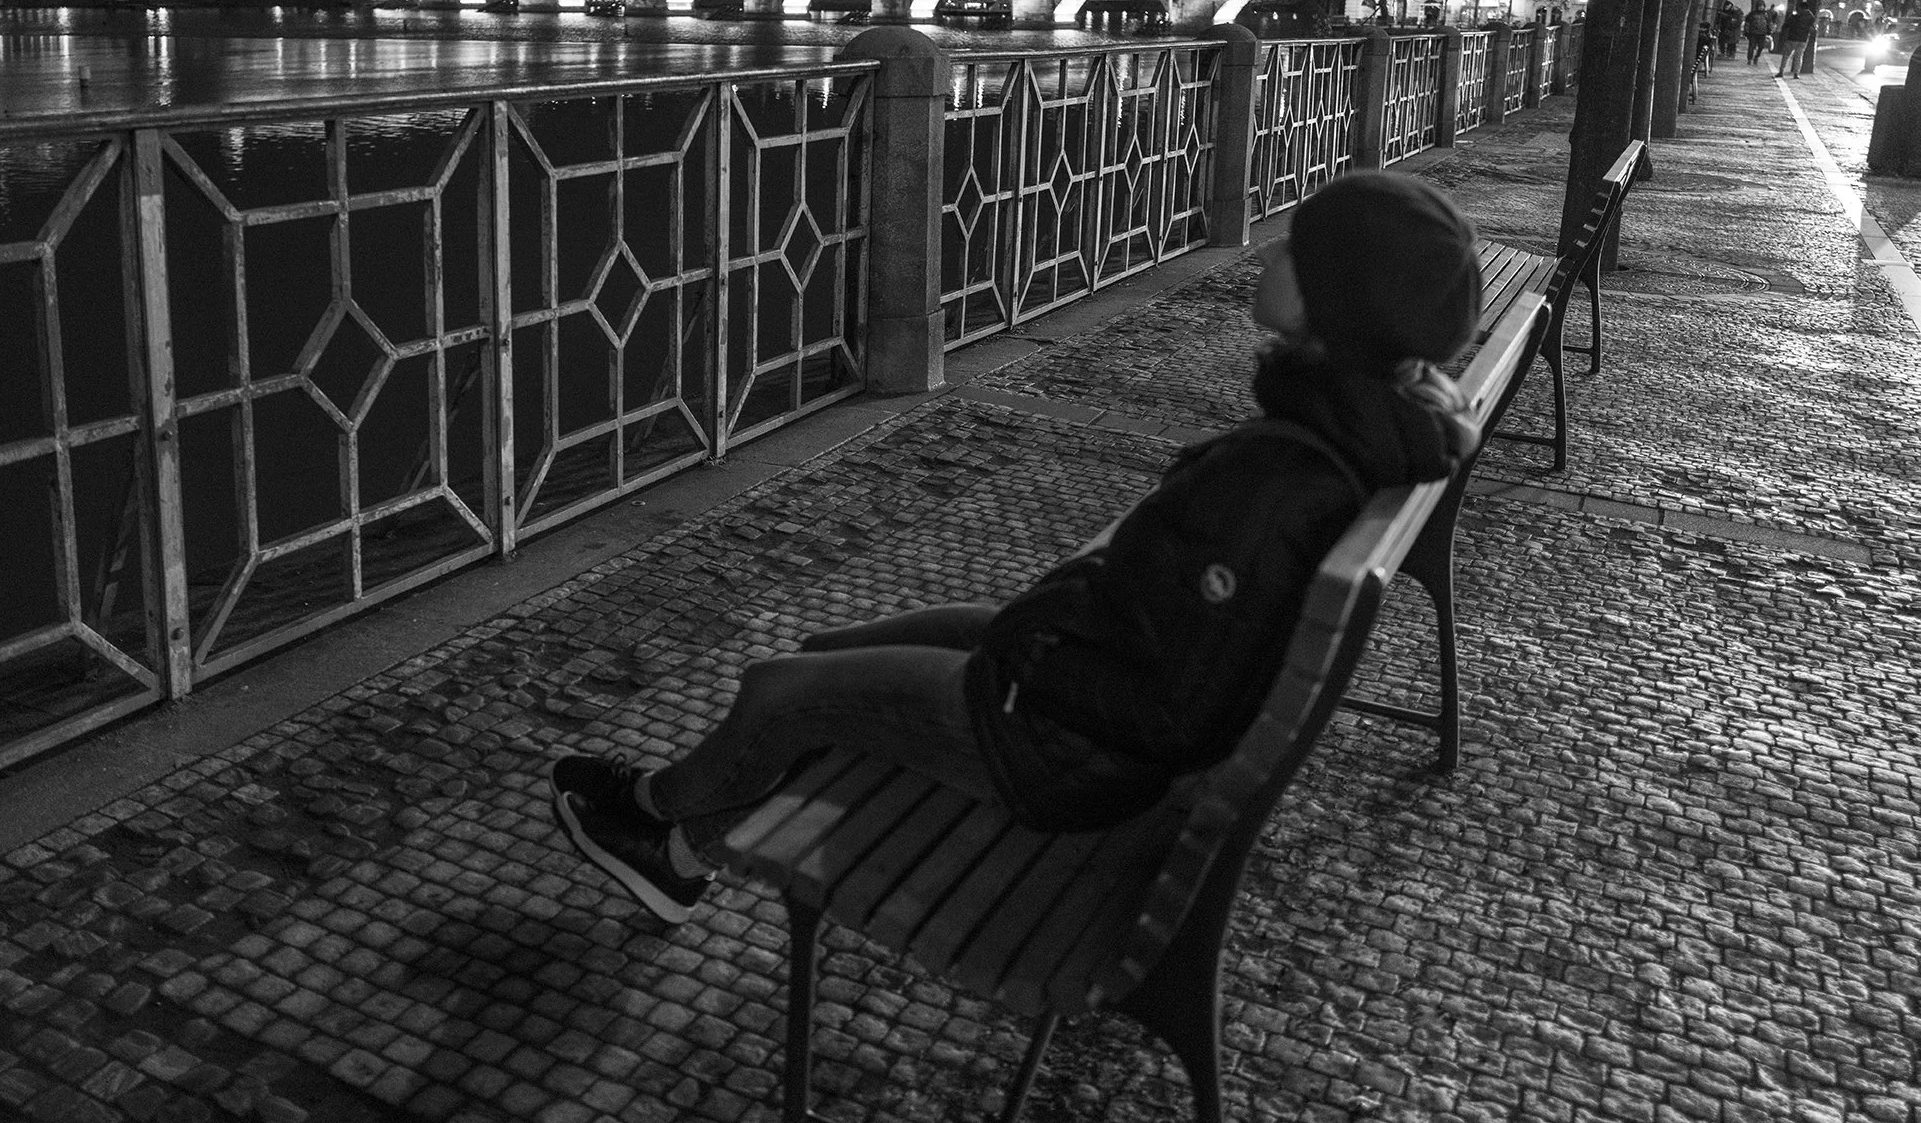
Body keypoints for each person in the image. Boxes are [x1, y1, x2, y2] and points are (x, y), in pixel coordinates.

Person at [546, 173, 1486, 923]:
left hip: (1059, 744)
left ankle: (654, 819)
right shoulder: (1348, 427)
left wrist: (1023, 660)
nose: (1271, 245)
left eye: (1298, 246)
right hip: (1079, 672)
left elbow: (1174, 709)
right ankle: (677, 857)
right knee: (822, 658)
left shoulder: (1281, 476)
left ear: (1334, 308)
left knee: (776, 691)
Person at [1777, 0, 1816, 77]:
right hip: (1803, 39)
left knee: (1786, 55)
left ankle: (1781, 71)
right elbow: (1812, 28)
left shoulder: (1795, 17)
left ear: (1800, 8)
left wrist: (1783, 34)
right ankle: (1796, 73)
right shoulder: (1811, 17)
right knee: (1798, 56)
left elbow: (1786, 25)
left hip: (1792, 38)